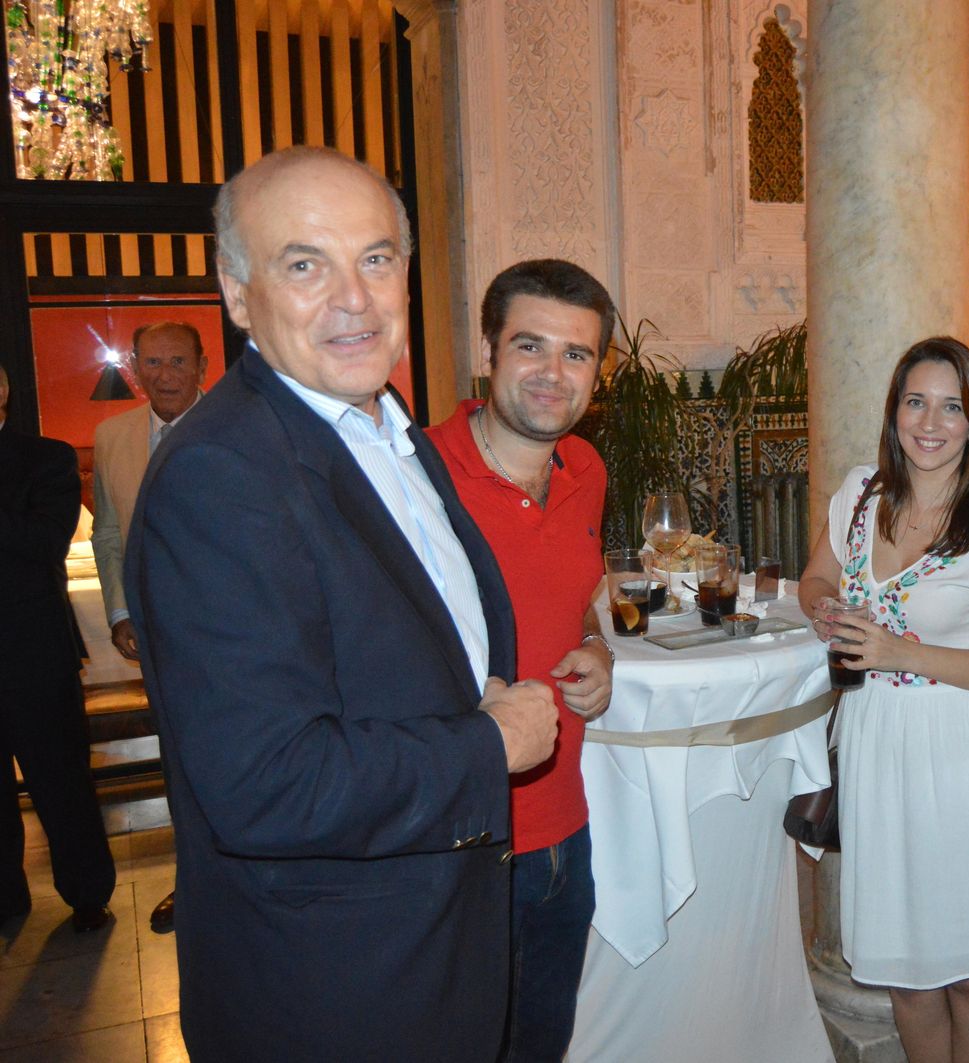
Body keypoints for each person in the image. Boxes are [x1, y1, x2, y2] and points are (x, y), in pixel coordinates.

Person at [125, 146, 560, 1063]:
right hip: (334, 991)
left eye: (373, 258)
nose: (353, 297)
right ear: (239, 298)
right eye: (303, 264)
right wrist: (489, 743)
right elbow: (267, 783)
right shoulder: (222, 474)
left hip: (436, 952)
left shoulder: (394, 430)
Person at [798, 336, 969, 1063]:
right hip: (874, 747)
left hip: (958, 756)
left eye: (952, 406)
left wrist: (906, 653)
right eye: (916, 401)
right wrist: (825, 608)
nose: (931, 421)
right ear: (895, 410)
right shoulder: (860, 494)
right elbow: (815, 578)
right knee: (905, 976)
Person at [427, 258, 615, 1062]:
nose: (552, 373)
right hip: (458, 844)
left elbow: (583, 595)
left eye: (576, 354)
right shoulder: (418, 478)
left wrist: (600, 646)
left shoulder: (585, 471)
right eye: (530, 346)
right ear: (490, 352)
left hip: (563, 828)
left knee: (542, 1042)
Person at [90, 319, 208, 934]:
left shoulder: (244, 427)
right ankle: (193, 883)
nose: (165, 376)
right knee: (178, 761)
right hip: (159, 639)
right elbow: (107, 535)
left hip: (239, 639)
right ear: (135, 369)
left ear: (202, 366)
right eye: (153, 364)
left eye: (177, 362)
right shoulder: (112, 436)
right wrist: (119, 610)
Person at [0, 363, 117, 932]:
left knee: (61, 781)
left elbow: (45, 542)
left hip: (31, 651)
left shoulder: (45, 457)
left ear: (1, 391)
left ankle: (88, 894)